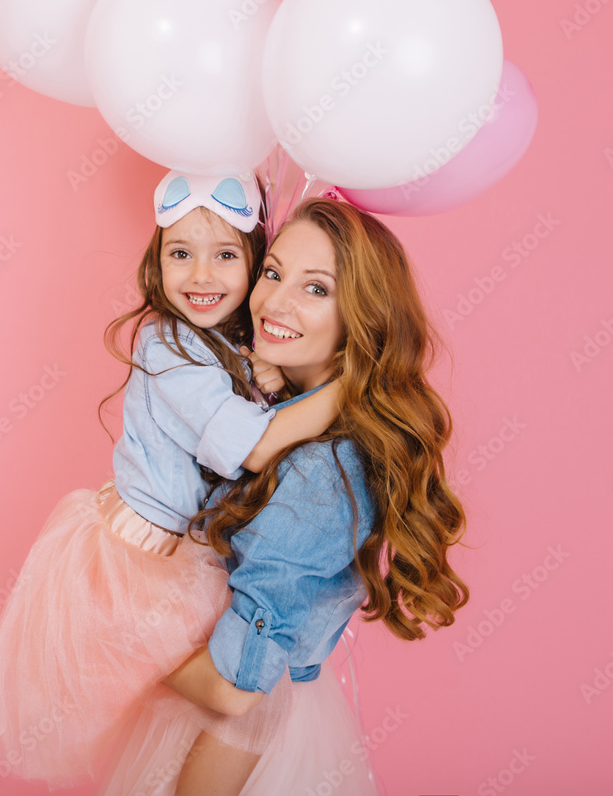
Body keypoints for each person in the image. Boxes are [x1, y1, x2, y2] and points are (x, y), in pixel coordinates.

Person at [0, 170, 341, 788]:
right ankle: (120, 651)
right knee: (232, 695)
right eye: (180, 254)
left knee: (224, 704)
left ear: (255, 262)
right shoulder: (168, 344)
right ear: (157, 260)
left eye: (226, 256)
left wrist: (264, 376)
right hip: (139, 556)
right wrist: (353, 387)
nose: (201, 275)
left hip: (180, 549)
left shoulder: (227, 343)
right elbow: (253, 448)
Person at [97, 196, 470, 796]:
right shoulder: (267, 400)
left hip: (236, 733)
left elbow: (234, 690)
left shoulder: (321, 471)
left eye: (316, 289)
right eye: (273, 272)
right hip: (216, 713)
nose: (274, 302)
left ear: (363, 320)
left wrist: (120, 651)